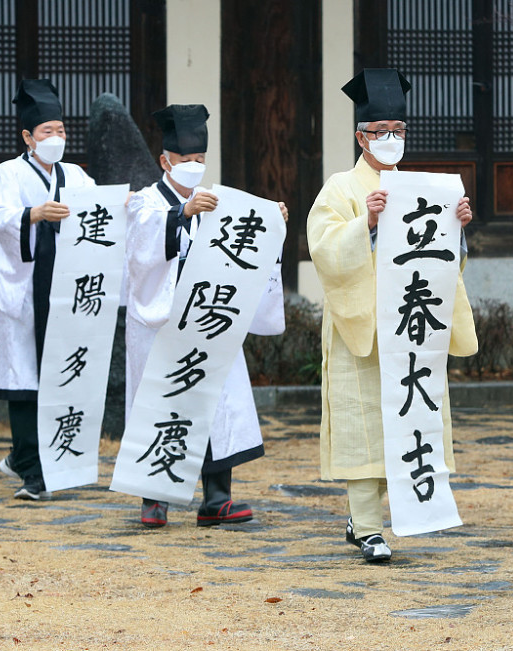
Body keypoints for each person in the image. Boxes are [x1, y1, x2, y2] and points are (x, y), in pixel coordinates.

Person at [307, 69, 477, 563]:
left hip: (412, 324)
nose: (390, 139)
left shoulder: (423, 188)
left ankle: (386, 512)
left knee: (408, 415)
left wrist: (458, 228)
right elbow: (324, 249)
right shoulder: (341, 188)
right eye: (380, 131)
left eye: (398, 131)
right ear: (360, 136)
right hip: (362, 326)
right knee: (364, 422)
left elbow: (446, 263)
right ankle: (366, 526)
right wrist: (368, 222)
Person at [124, 104, 287, 528]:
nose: (194, 168)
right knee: (159, 398)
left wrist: (272, 224)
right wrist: (183, 215)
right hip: (159, 323)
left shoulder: (219, 202)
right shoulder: (144, 202)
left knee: (216, 395)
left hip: (208, 317)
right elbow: (141, 250)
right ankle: (154, 499)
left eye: (200, 160)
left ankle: (217, 497)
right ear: (165, 162)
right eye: (185, 161)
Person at [0, 79, 97, 500]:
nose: (56, 139)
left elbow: (98, 216)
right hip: (26, 289)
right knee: (25, 378)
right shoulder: (7, 173)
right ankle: (31, 470)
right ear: (28, 137)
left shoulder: (78, 176)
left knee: (61, 375)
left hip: (65, 291)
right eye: (47, 132)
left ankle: (39, 459)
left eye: (61, 131)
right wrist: (32, 214)